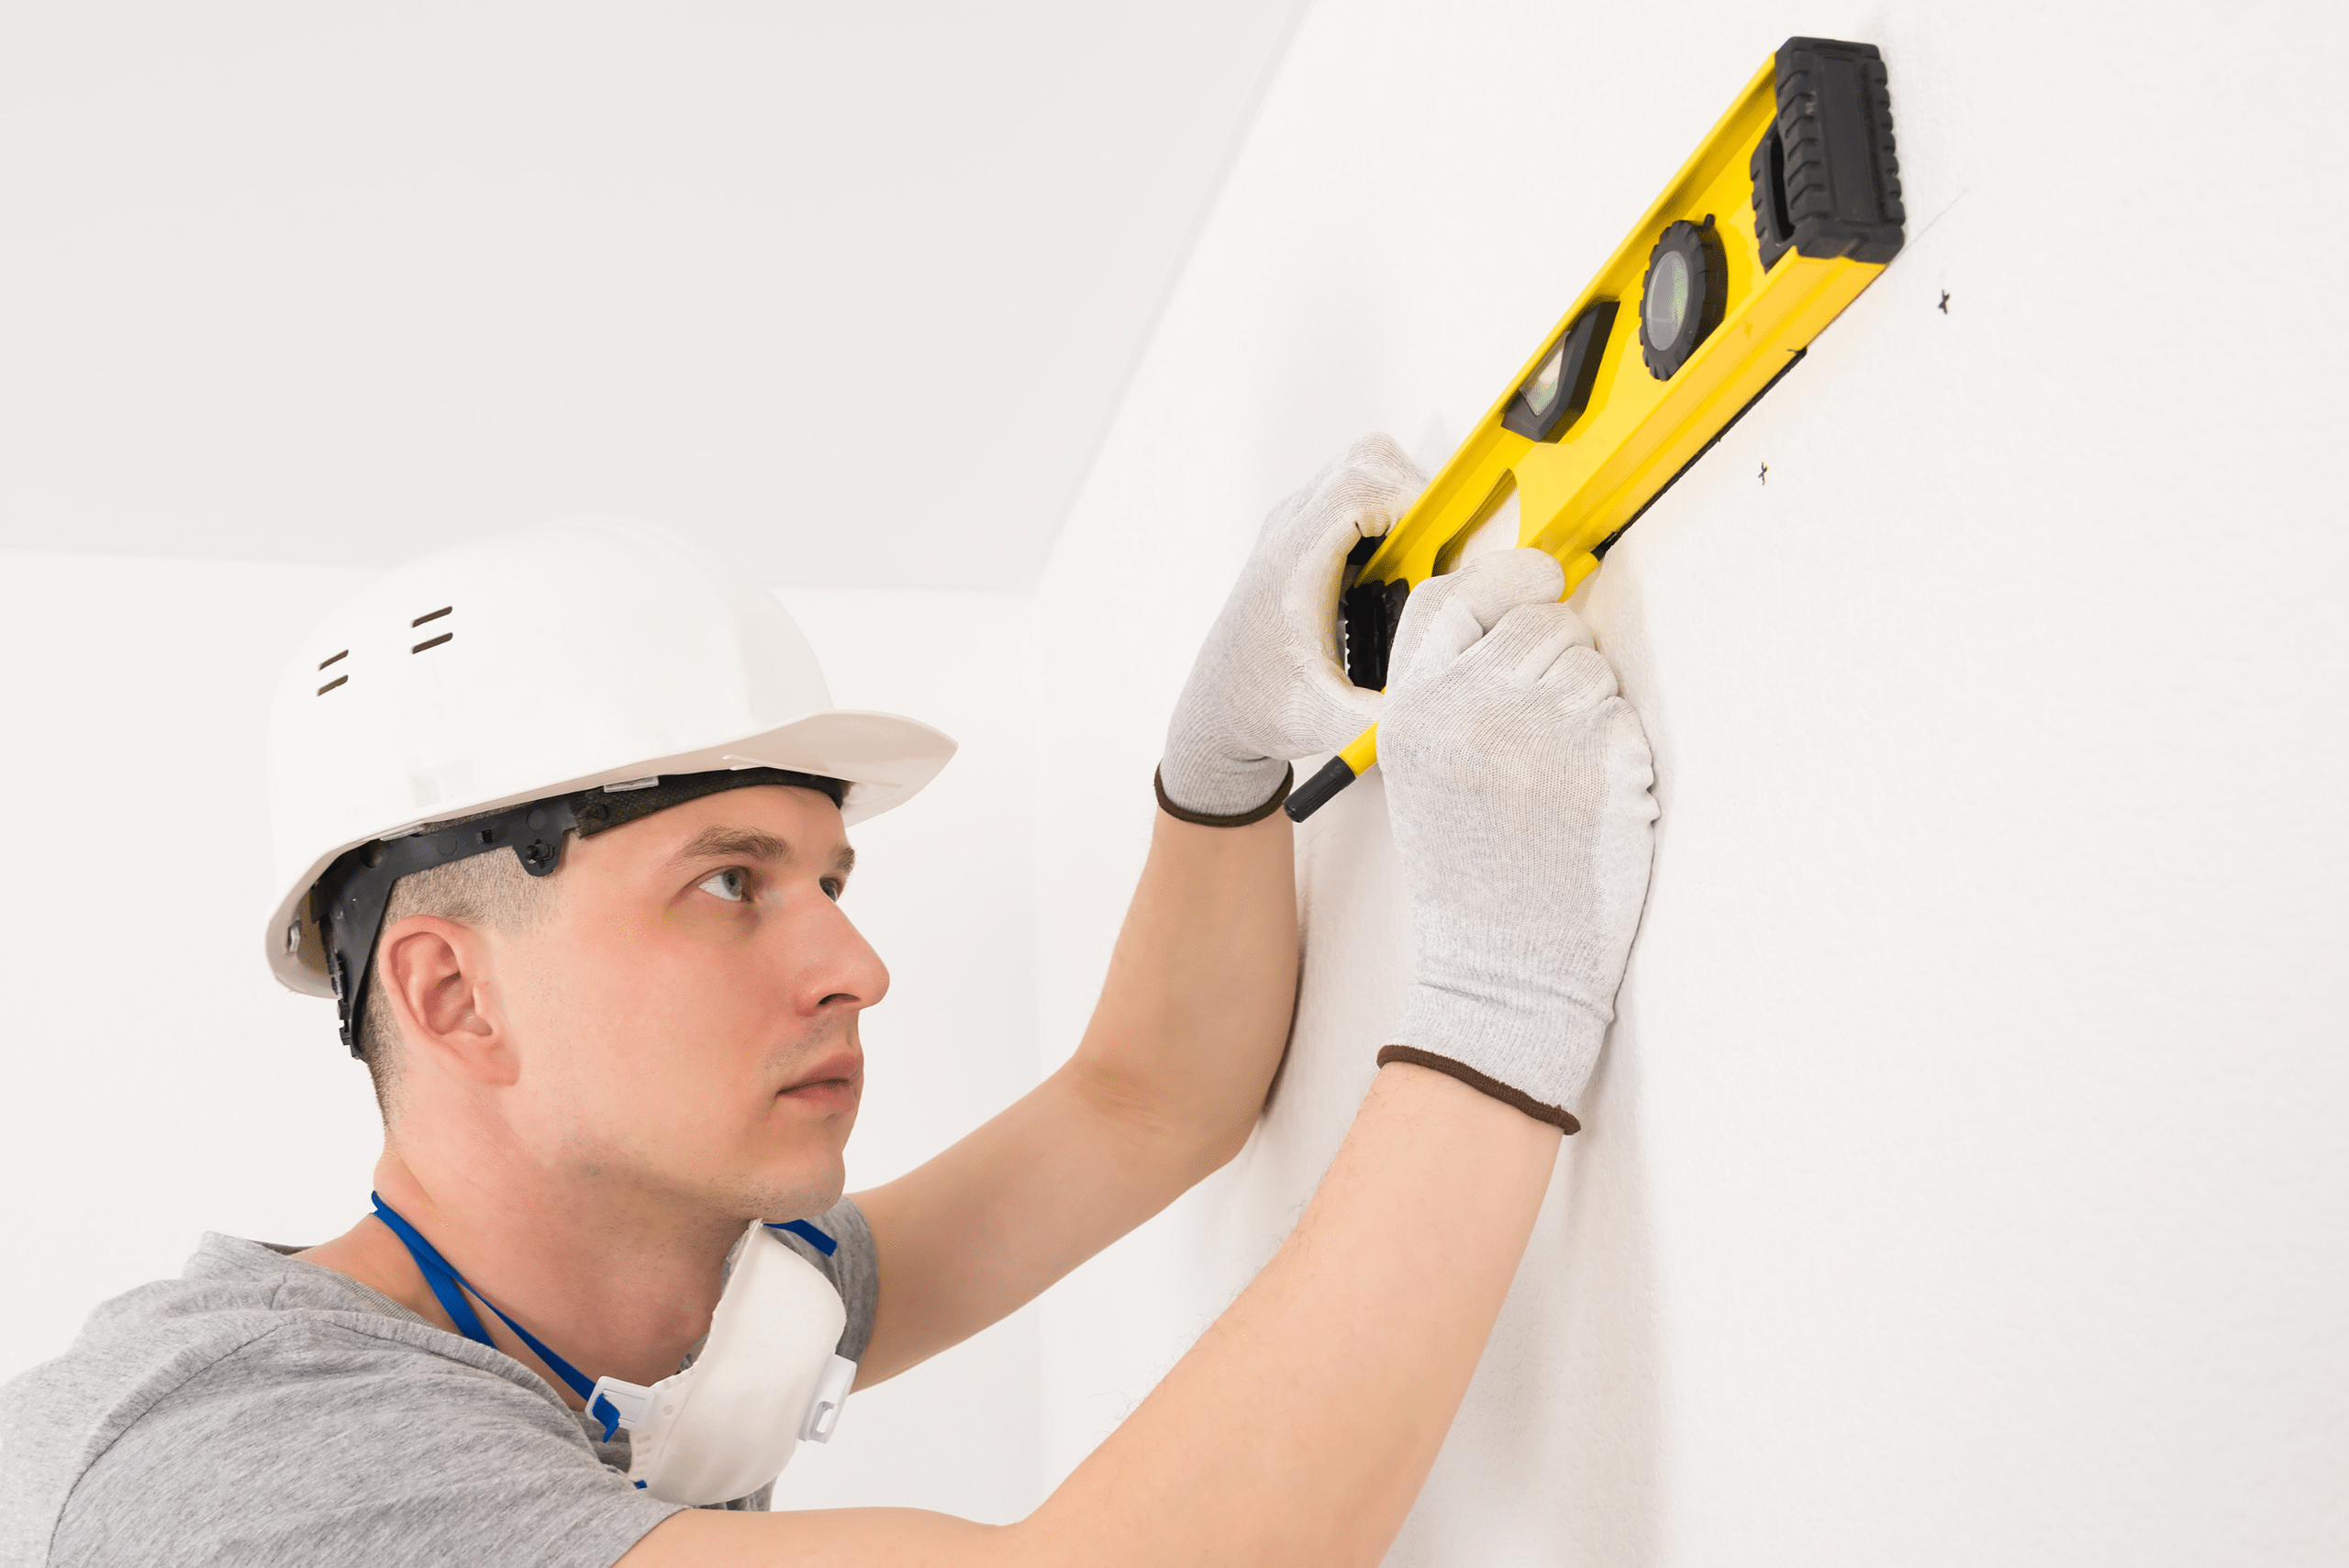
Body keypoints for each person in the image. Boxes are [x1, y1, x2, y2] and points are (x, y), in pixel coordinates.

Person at [0, 436, 1657, 1568]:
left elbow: (1142, 1102)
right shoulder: (253, 1476)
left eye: (830, 883)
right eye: (730, 884)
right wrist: (1503, 992)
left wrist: (1218, 771)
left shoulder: (667, 1314)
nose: (855, 967)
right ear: (454, 995)